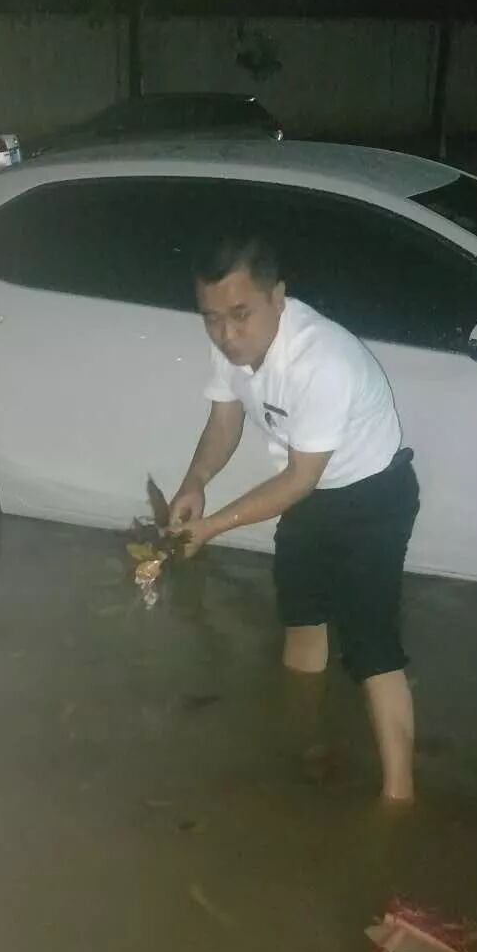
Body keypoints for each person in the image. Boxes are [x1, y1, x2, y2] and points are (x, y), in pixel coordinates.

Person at [167, 235, 420, 802]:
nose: (227, 335)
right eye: (211, 319)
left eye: (240, 315)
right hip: (309, 495)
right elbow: (224, 423)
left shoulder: (320, 361)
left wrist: (212, 527)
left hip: (373, 497)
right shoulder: (230, 345)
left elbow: (299, 479)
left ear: (277, 297)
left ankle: (399, 798)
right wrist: (194, 483)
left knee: (372, 647)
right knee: (301, 618)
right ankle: (304, 743)